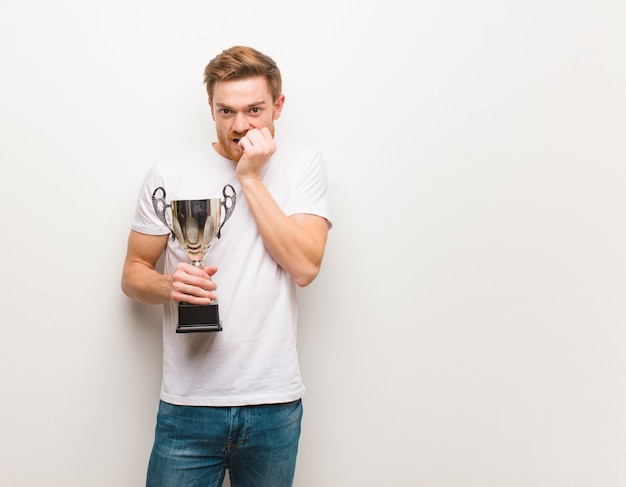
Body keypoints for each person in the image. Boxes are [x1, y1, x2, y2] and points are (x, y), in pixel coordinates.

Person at [121, 46, 332, 487]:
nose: (239, 126)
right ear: (211, 108)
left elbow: (305, 267)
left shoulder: (301, 164)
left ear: (278, 105)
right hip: (188, 406)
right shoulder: (169, 172)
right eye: (226, 111)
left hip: (273, 403)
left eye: (254, 110)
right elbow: (134, 272)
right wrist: (168, 285)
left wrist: (250, 177)